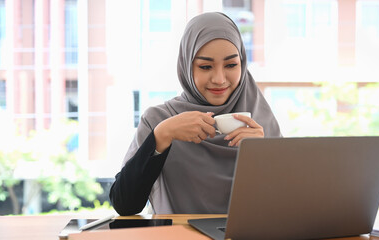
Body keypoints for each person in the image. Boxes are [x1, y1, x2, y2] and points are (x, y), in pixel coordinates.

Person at [109, 12, 281, 216]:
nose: (219, 79)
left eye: (231, 65)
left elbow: (285, 206)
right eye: (205, 66)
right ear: (186, 66)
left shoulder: (259, 121)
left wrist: (264, 156)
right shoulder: (159, 120)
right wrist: (162, 136)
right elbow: (125, 205)